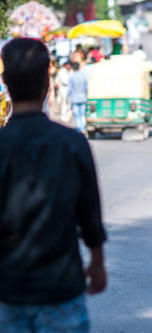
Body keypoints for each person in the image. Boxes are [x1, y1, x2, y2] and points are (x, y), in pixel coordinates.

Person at [0, 38, 106, 332]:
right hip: (61, 286)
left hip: (8, 290)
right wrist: (97, 263)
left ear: (5, 82)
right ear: (48, 81)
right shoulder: (71, 143)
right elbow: (90, 213)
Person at [67, 62, 88, 135]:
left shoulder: (71, 76)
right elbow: (86, 87)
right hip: (82, 97)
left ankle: (79, 129)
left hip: (75, 98)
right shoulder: (84, 76)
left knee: (77, 115)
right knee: (82, 114)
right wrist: (86, 95)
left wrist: (67, 98)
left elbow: (69, 89)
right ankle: (83, 128)